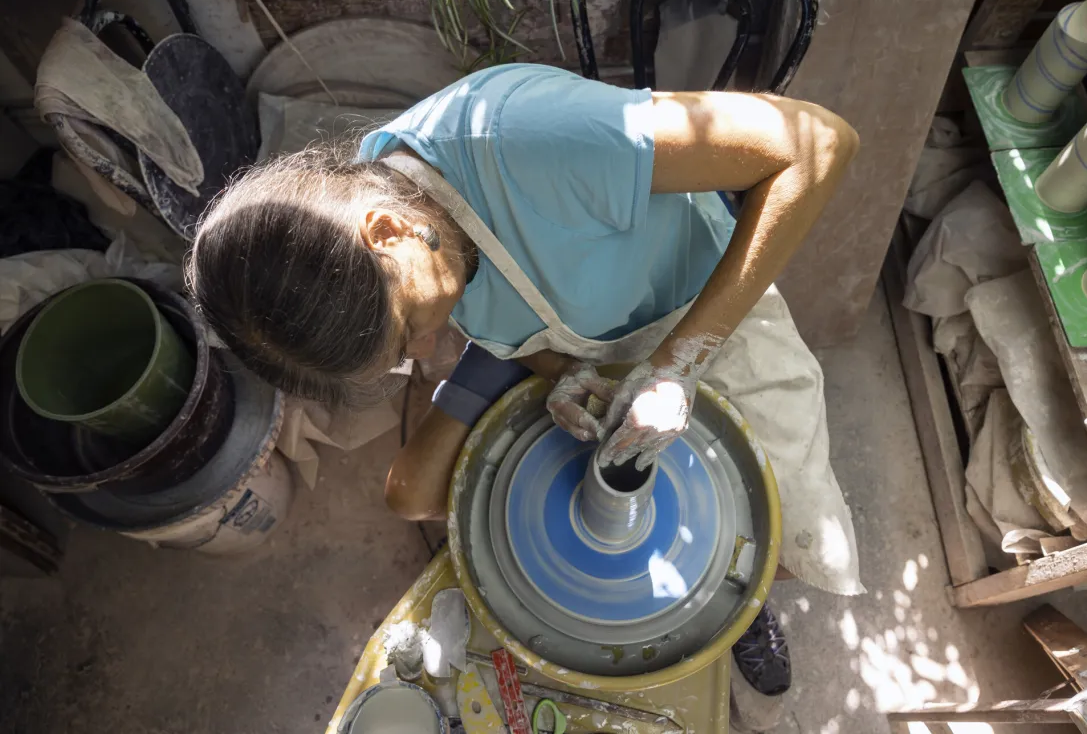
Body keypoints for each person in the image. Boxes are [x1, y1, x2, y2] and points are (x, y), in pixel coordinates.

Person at [188, 63, 861, 710]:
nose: (430, 352)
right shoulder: (391, 216)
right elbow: (519, 306)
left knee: (785, 532)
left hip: (704, 306)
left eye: (411, 330)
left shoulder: (524, 137)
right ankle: (706, 598)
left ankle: (740, 606)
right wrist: (561, 372)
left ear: (387, 232)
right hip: (589, 334)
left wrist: (681, 362)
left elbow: (821, 142)